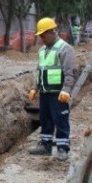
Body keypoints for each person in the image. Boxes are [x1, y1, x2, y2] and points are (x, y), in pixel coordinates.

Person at [27, 17, 76, 161]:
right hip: (45, 93)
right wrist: (35, 88)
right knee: (45, 119)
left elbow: (70, 71)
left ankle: (62, 148)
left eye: (43, 35)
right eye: (40, 35)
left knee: (60, 119)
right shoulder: (42, 50)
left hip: (58, 93)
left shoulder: (64, 48)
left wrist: (66, 89)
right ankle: (45, 145)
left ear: (51, 32)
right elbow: (41, 71)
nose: (41, 38)